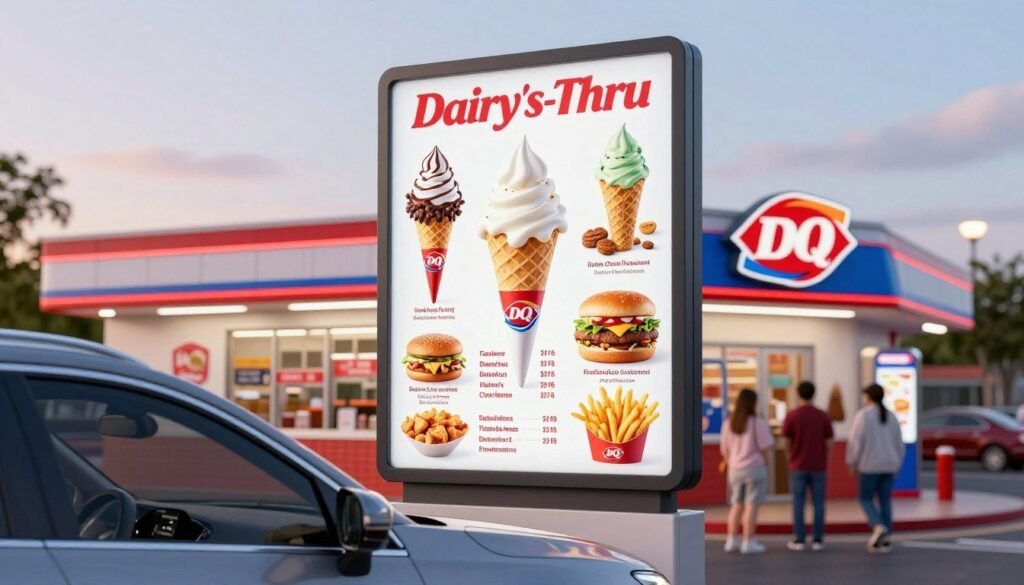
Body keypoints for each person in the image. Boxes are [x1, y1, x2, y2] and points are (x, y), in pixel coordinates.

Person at [847, 383, 905, 553]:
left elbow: (856, 442)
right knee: (885, 501)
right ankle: (886, 538)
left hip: (869, 465)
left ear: (868, 397)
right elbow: (899, 444)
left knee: (865, 499)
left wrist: (852, 462)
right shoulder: (892, 416)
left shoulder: (863, 416)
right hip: (889, 465)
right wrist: (897, 463)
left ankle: (878, 526)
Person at [781, 381, 834, 551]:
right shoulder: (822, 415)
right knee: (818, 503)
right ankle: (818, 540)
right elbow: (829, 442)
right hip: (818, 465)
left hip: (798, 465)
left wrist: (790, 457)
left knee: (798, 502)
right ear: (814, 394)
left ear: (798, 394)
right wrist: (826, 458)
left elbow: (785, 442)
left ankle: (800, 539)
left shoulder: (792, 415)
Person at [720, 388, 774, 554]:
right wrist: (766, 464)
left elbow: (724, 449)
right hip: (755, 469)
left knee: (736, 505)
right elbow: (765, 448)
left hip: (735, 470)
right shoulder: (757, 422)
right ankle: (748, 541)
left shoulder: (728, 423)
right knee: (751, 506)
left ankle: (731, 540)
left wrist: (732, 461)